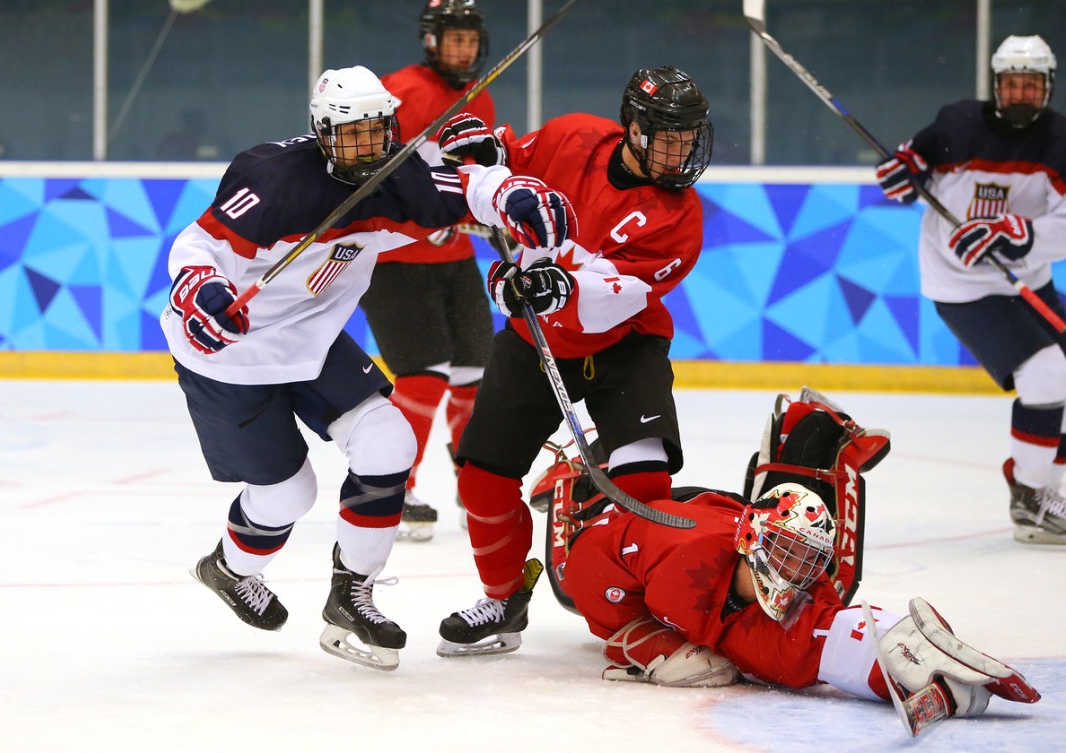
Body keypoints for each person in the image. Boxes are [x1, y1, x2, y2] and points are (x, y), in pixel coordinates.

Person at [160, 65, 575, 671]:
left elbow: (463, 186)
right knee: (286, 494)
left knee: (388, 441)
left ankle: (352, 595)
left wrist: (510, 191)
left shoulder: (396, 177)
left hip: (314, 341)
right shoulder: (271, 178)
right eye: (350, 133)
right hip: (232, 353)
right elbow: (198, 246)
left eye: (377, 131)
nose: (367, 146)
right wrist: (199, 287)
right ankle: (230, 568)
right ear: (322, 132)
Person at [542, 391, 1040, 737]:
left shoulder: (780, 556)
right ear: (751, 542)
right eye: (784, 553)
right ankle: (576, 471)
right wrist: (648, 642)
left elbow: (819, 614)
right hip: (626, 534)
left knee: (820, 610)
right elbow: (590, 569)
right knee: (569, 578)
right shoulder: (679, 552)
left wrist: (891, 638)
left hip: (719, 522)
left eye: (804, 558)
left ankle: (806, 427)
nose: (795, 568)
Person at [432, 65, 714, 657]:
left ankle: (641, 606)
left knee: (646, 485)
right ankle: (503, 598)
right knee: (482, 482)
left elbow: (618, 297)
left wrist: (552, 284)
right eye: (669, 137)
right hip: (534, 342)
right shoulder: (572, 138)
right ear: (633, 128)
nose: (681, 152)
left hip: (624, 347)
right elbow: (499, 162)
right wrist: (474, 145)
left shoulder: (680, 217)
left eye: (689, 138)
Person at [875, 35, 1066, 546]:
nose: (1020, 93)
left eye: (1031, 84)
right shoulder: (957, 122)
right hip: (960, 283)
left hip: (1029, 278)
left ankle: (1054, 483)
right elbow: (910, 163)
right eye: (1011, 84)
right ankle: (1030, 498)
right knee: (1047, 375)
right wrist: (902, 174)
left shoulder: (1061, 141)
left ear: (1047, 87)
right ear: (996, 85)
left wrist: (1020, 233)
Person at [359, 0, 498, 542]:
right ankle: (396, 487)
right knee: (423, 376)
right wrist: (419, 221)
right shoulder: (402, 91)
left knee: (473, 376)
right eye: (453, 39)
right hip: (395, 260)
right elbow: (372, 165)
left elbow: (473, 174)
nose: (463, 50)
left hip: (454, 261)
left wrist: (489, 210)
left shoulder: (478, 97)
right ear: (430, 41)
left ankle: (474, 484)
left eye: (469, 40)